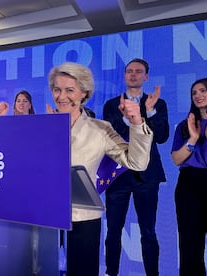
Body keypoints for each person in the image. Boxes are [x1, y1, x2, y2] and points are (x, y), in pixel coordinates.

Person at [45, 62, 153, 276]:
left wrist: (137, 124)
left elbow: (136, 163)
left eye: (69, 90)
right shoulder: (41, 125)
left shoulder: (101, 129)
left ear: (84, 93)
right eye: (57, 89)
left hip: (83, 217)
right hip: (44, 215)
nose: (61, 96)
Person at [103, 58, 169, 276]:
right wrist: (129, 119)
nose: (133, 75)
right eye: (129, 71)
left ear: (146, 76)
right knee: (113, 232)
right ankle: (111, 273)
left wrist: (147, 114)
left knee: (148, 232)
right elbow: (112, 138)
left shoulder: (157, 104)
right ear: (124, 75)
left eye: (138, 72)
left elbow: (161, 137)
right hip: (117, 175)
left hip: (147, 177)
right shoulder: (111, 105)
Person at [171, 77, 207, 276]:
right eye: (194, 92)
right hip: (189, 184)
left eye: (203, 91)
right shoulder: (186, 124)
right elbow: (176, 159)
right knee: (190, 244)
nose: (198, 95)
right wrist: (193, 138)